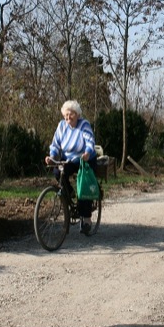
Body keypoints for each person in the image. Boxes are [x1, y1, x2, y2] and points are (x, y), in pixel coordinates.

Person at [45, 100, 97, 234]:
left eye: (71, 114)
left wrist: (87, 153)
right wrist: (52, 156)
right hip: (68, 159)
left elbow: (90, 141)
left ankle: (86, 218)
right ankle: (70, 193)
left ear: (77, 114)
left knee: (83, 183)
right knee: (57, 172)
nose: (68, 117)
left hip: (84, 158)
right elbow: (55, 144)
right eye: (66, 115)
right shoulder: (62, 126)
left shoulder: (84, 124)